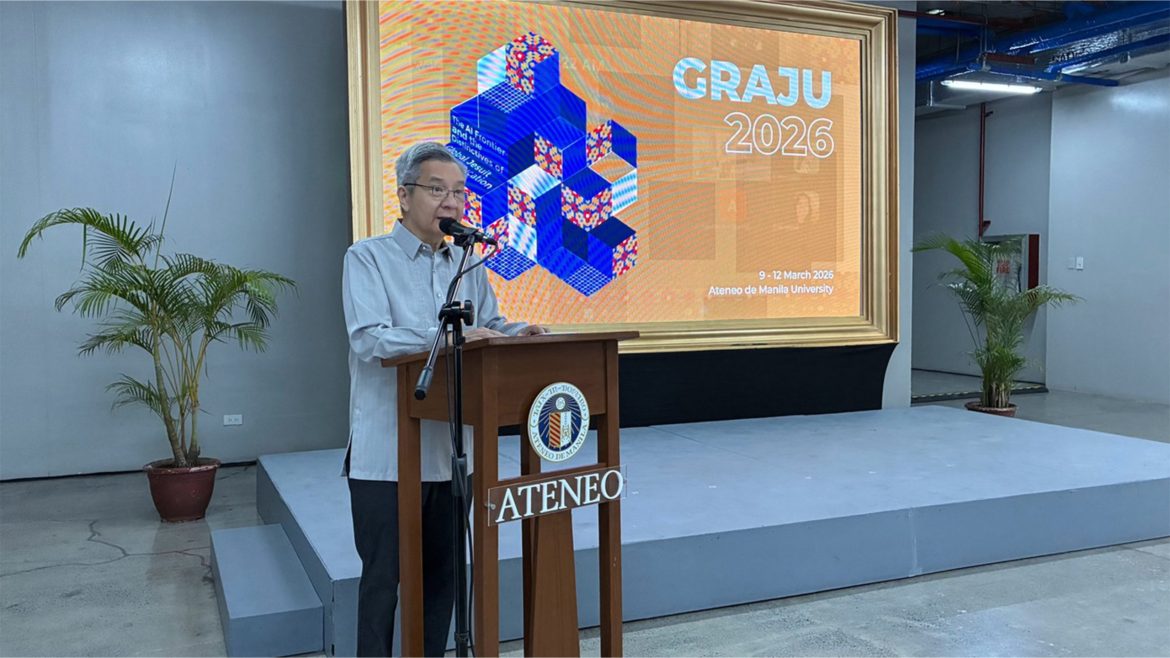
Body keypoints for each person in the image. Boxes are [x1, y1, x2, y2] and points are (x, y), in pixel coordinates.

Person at [341, 141, 548, 657]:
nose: (451, 201)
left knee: (444, 582)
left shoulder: (467, 260)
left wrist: (518, 333)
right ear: (404, 194)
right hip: (387, 457)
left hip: (452, 453)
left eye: (459, 191)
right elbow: (369, 338)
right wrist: (455, 337)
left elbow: (489, 325)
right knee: (382, 582)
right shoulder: (367, 257)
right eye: (437, 189)